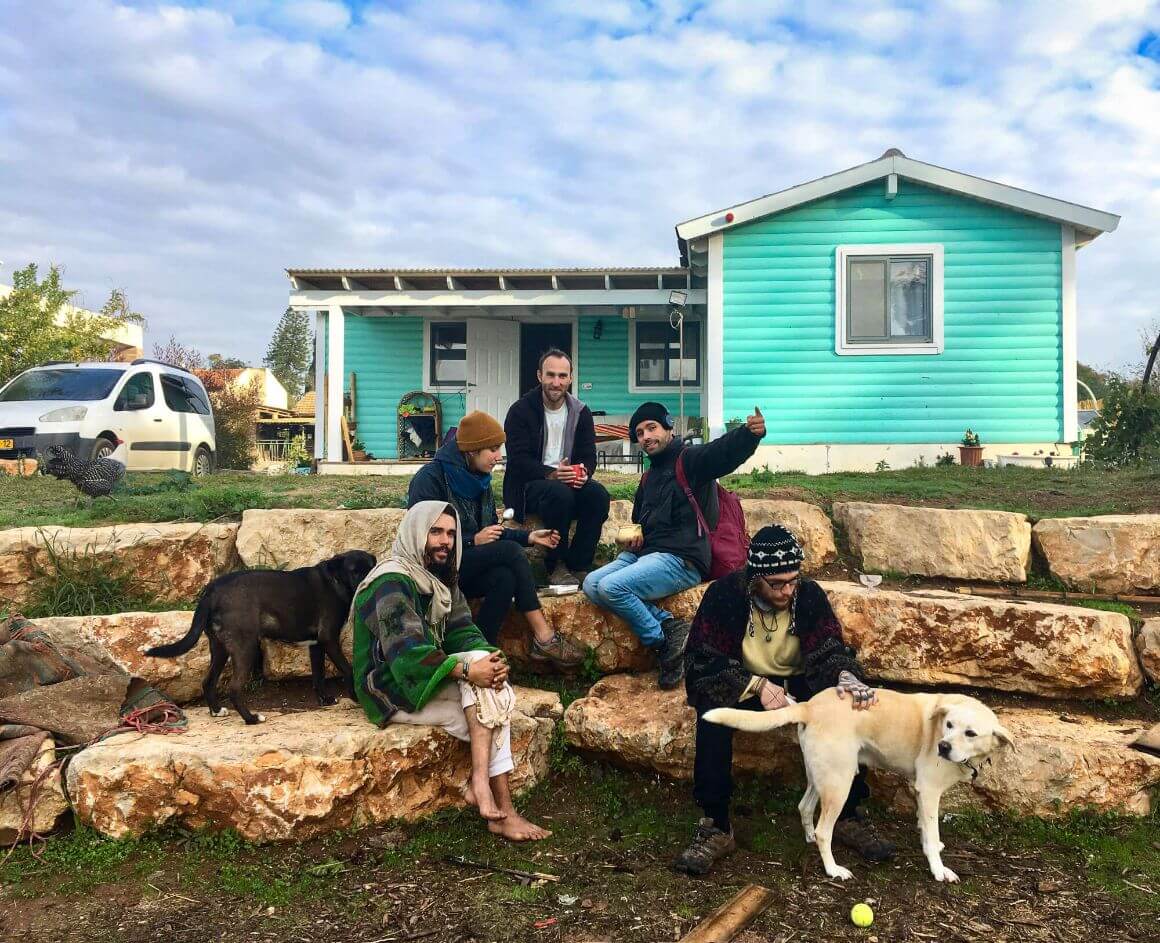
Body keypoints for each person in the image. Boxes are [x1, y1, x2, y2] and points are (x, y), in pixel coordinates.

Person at [674, 525, 897, 875]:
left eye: (792, 580)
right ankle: (716, 824)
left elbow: (828, 647)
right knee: (712, 715)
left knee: (847, 708)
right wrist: (756, 685)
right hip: (744, 682)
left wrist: (844, 675)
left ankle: (848, 813)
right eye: (776, 584)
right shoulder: (724, 595)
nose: (786, 591)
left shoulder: (807, 595)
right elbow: (703, 659)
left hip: (801, 682)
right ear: (755, 577)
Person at [351, 500, 552, 841]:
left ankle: (490, 799)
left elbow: (462, 630)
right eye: (435, 532)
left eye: (451, 533)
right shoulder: (390, 582)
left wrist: (491, 660)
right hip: (389, 685)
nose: (445, 541)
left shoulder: (441, 579)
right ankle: (496, 800)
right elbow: (406, 655)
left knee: (494, 695)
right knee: (485, 696)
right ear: (416, 533)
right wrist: (465, 670)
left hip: (426, 678)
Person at [582, 402, 763, 689]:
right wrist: (635, 534)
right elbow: (639, 520)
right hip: (646, 554)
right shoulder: (648, 477)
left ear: (669, 429)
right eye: (640, 433)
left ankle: (661, 641)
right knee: (591, 584)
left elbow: (721, 453)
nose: (646, 436)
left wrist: (748, 435)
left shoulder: (689, 461)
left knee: (611, 587)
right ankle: (671, 626)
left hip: (682, 559)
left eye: (652, 428)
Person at [407, 410, 583, 669]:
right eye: (491, 449)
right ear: (471, 450)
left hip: (464, 565)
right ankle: (544, 637)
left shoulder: (479, 481)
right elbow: (422, 537)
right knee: (510, 553)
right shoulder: (430, 479)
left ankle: (479, 652)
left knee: (505, 578)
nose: (499, 457)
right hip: (434, 568)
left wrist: (529, 537)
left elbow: (491, 531)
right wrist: (470, 541)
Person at [503, 349, 610, 587]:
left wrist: (582, 472)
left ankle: (580, 565)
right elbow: (518, 460)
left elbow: (588, 455)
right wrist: (549, 473)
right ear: (539, 376)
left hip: (567, 482)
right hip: (527, 486)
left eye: (562, 376)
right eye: (550, 375)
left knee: (598, 495)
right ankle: (556, 565)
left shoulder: (581, 412)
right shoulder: (520, 411)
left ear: (570, 378)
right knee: (558, 493)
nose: (556, 382)